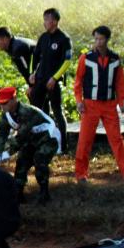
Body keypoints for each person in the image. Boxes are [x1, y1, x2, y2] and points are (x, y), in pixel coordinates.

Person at [73, 26, 124, 184]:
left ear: (107, 39)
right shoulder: (85, 58)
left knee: (117, 139)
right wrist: (79, 101)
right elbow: (78, 82)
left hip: (109, 105)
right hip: (90, 105)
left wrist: (122, 103)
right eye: (96, 39)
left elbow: (120, 83)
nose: (98, 42)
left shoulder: (115, 59)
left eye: (101, 39)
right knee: (85, 140)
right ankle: (81, 174)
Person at [0, 86, 62, 204]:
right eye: (0, 103)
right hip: (31, 139)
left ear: (14, 99)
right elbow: (1, 136)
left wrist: (7, 153)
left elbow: (21, 137)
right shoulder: (6, 115)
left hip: (47, 138)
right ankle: (18, 193)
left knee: (39, 159)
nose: (2, 106)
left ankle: (44, 193)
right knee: (21, 161)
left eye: (5, 103)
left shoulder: (27, 112)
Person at [30, 9, 72, 152]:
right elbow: (35, 57)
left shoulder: (64, 39)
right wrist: (32, 73)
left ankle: (64, 146)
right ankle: (43, 142)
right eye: (44, 19)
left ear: (54, 21)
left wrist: (55, 78)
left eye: (47, 20)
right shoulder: (43, 37)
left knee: (57, 111)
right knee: (38, 111)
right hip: (40, 80)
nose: (44, 23)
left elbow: (67, 61)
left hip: (54, 82)